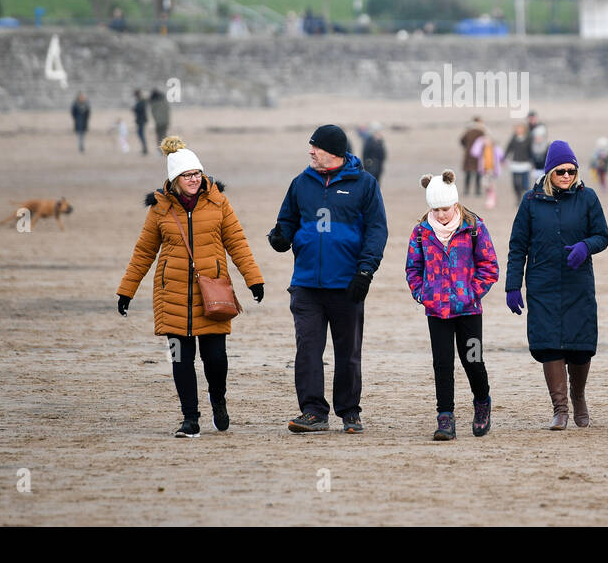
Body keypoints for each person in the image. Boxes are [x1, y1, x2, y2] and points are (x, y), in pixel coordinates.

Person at [116, 136, 265, 437]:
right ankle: (190, 418)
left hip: (213, 294)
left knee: (216, 360)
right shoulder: (159, 209)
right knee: (181, 359)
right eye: (187, 175)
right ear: (175, 180)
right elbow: (144, 252)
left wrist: (254, 279)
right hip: (172, 296)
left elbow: (237, 242)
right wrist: (126, 290)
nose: (194, 179)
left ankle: (218, 400)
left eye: (197, 173)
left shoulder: (218, 202)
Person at [268, 125, 387, 434]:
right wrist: (280, 237)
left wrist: (365, 271)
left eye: (315, 148)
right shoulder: (301, 183)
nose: (310, 152)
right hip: (306, 283)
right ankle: (313, 411)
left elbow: (376, 231)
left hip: (348, 284)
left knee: (347, 353)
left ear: (333, 153)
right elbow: (287, 221)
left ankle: (349, 412)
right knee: (307, 349)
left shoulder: (364, 184)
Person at [505, 140, 608, 430]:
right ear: (549, 172)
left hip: (578, 283)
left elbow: (603, 235)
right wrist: (512, 285)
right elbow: (518, 246)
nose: (566, 176)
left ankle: (578, 396)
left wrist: (585, 246)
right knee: (549, 344)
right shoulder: (530, 201)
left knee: (580, 345)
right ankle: (560, 409)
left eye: (572, 171)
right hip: (543, 283)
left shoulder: (588, 198)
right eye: (561, 171)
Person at [405, 170, 499, 440]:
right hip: (437, 311)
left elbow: (489, 266)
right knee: (442, 364)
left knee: (473, 360)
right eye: (436, 209)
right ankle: (445, 417)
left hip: (469, 310)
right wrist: (423, 294)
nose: (441, 214)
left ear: (455, 203)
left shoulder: (474, 228)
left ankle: (482, 403)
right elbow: (413, 268)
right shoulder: (421, 232)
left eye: (445, 208)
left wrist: (472, 293)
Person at [505, 122, 533, 198]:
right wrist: (504, 158)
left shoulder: (528, 139)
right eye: (517, 129)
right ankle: (518, 196)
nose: (519, 130)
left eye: (520, 128)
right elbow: (508, 148)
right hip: (515, 163)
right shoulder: (513, 138)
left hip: (525, 163)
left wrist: (532, 161)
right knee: (516, 183)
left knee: (525, 184)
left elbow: (531, 150)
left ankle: (526, 197)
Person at [459, 117, 486, 196]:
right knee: (478, 173)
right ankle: (477, 191)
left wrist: (466, 147)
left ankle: (466, 190)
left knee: (468, 173)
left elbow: (461, 140)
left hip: (468, 155)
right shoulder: (481, 132)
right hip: (479, 156)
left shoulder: (468, 131)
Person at [133, 90, 149, 155]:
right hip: (141, 120)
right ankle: (144, 148)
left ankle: (145, 149)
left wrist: (134, 109)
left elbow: (140, 109)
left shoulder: (141, 101)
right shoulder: (141, 101)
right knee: (141, 134)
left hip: (141, 121)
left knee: (141, 134)